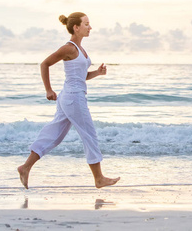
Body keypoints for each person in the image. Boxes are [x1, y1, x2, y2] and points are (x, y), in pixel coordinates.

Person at [17, 12, 120, 189]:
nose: (90, 27)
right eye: (86, 24)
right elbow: (45, 64)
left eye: (89, 24)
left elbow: (80, 76)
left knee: (53, 134)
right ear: (76, 27)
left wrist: (97, 73)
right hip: (73, 97)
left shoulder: (80, 50)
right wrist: (48, 89)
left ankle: (25, 167)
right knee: (90, 135)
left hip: (70, 95)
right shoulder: (69, 48)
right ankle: (99, 178)